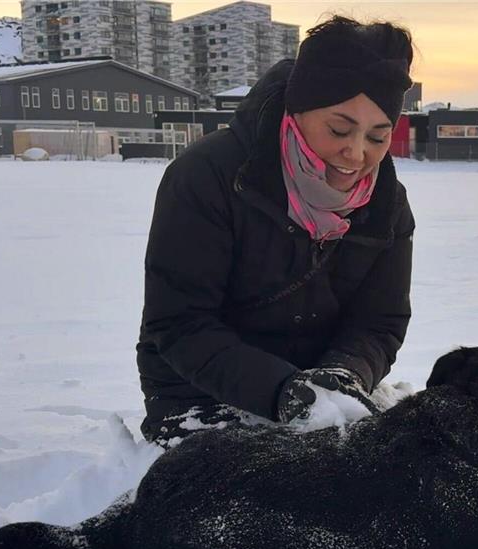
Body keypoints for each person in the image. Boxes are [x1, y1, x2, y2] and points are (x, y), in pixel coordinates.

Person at [136, 16, 416, 445]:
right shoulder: (209, 176)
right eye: (339, 129)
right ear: (297, 111)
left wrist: (344, 374)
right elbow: (180, 324)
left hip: (323, 390)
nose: (356, 153)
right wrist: (280, 390)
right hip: (199, 393)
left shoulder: (386, 203)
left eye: (378, 137)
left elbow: (379, 321)